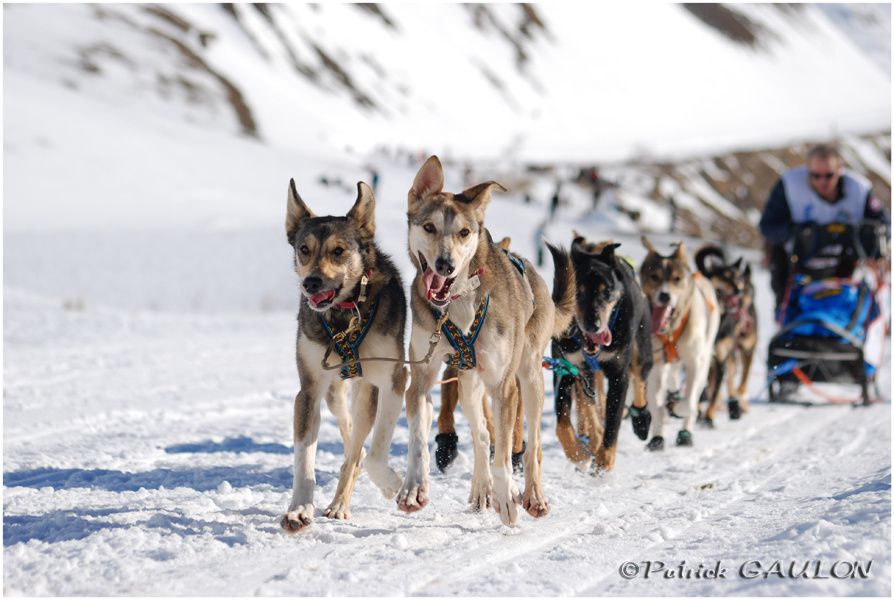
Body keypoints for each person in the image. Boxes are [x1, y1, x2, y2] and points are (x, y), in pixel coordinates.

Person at [759, 143, 889, 311]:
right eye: (815, 176)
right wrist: (797, 232)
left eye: (829, 176)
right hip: (796, 265)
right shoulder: (789, 185)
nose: (822, 182)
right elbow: (767, 227)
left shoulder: (859, 190)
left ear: (840, 169)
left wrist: (874, 248)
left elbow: (884, 225)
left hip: (845, 266)